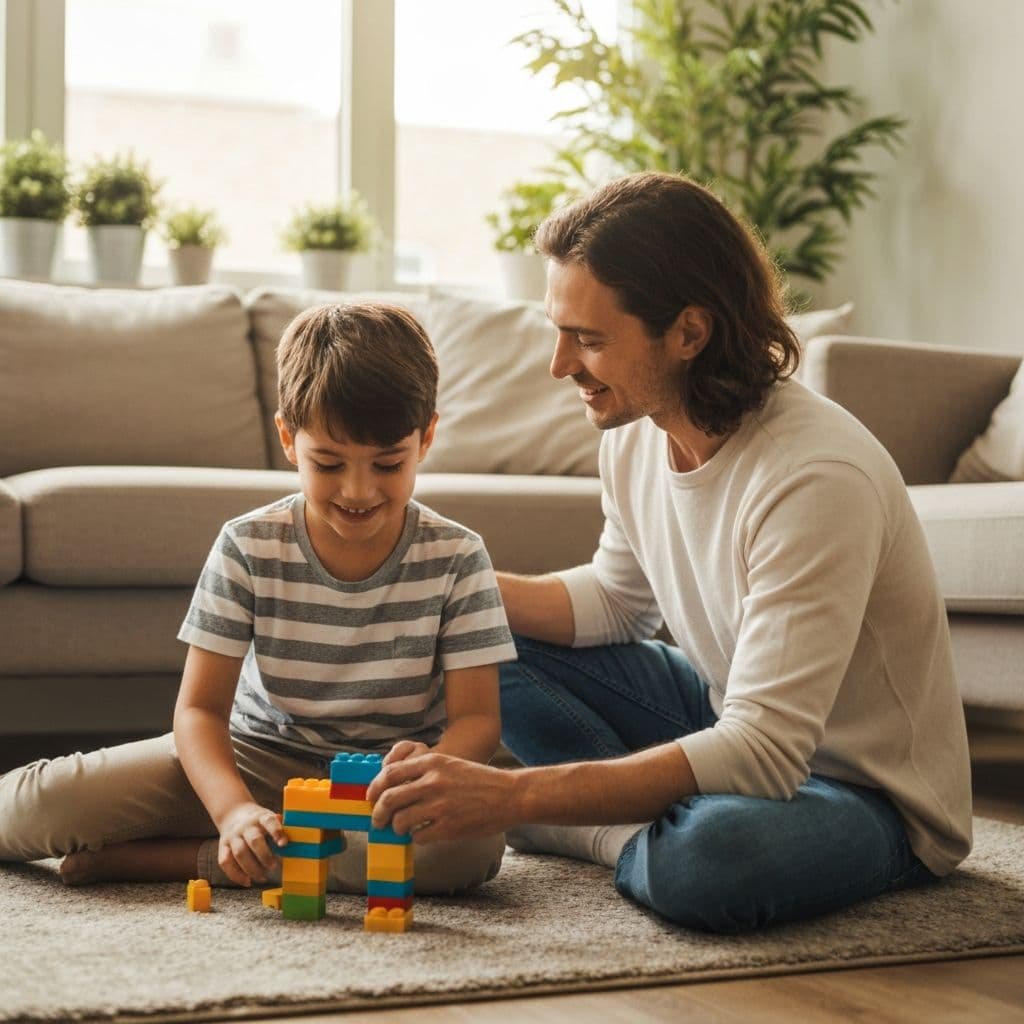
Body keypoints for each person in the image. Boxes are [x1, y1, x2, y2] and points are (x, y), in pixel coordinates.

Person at [365, 172, 973, 933]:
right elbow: (619, 601)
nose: (560, 366)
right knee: (483, 626)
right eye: (559, 332)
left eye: (588, 339)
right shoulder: (637, 434)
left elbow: (765, 752)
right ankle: (644, 816)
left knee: (709, 860)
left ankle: (600, 828)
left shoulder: (815, 476)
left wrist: (515, 799)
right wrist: (446, 584)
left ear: (689, 332)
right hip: (724, 716)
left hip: (865, 793)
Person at [0, 302, 515, 895]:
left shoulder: (459, 557)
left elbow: (478, 720)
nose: (358, 489)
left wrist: (425, 774)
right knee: (44, 808)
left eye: (388, 463)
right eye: (329, 463)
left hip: (382, 788)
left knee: (468, 852)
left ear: (425, 438)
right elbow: (198, 712)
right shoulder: (248, 545)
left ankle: (188, 861)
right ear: (289, 440)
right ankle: (243, 841)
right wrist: (233, 811)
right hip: (255, 758)